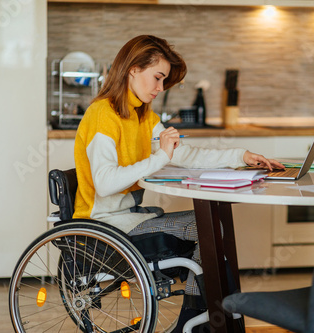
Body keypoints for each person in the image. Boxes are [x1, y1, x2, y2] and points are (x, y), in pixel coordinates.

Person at [73, 34, 285, 332]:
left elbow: (184, 154)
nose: (160, 89)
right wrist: (160, 157)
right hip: (109, 226)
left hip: (131, 219)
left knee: (211, 225)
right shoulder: (102, 115)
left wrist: (242, 155)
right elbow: (105, 184)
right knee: (207, 227)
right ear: (133, 68)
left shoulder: (142, 116)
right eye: (157, 78)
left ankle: (211, 319)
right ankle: (199, 321)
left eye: (164, 81)